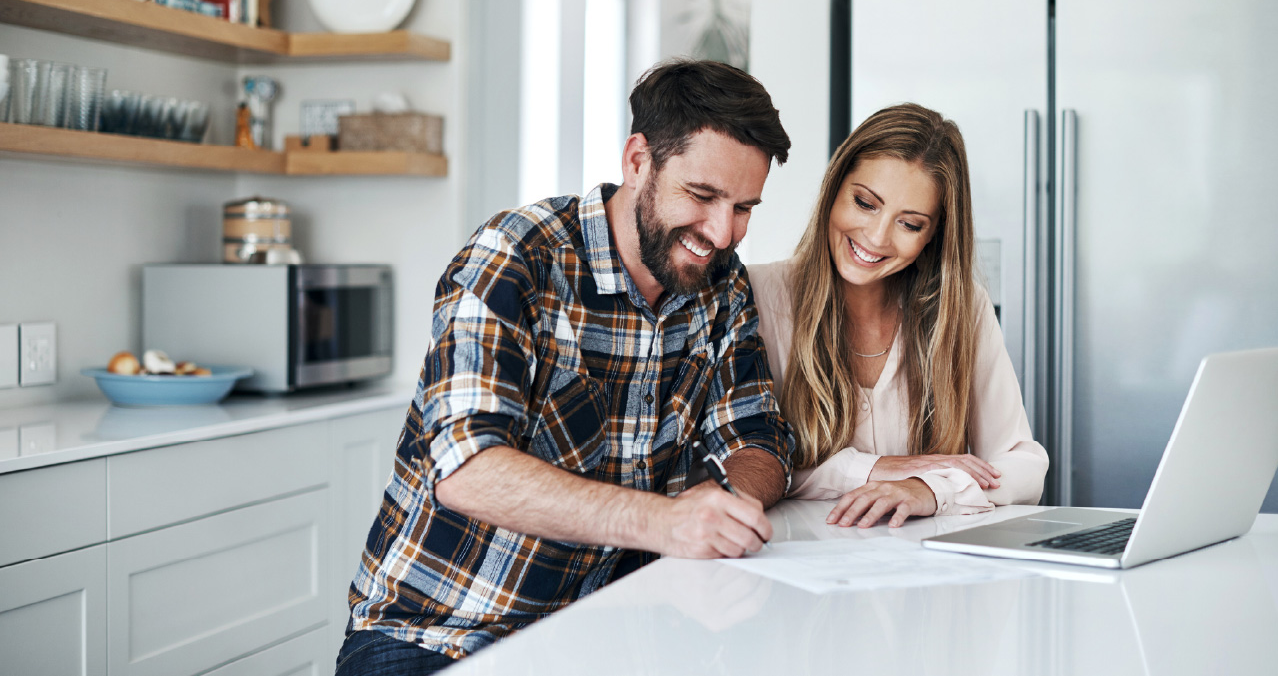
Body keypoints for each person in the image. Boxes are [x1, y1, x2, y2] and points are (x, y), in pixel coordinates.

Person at [335, 59, 795, 675]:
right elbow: (464, 467)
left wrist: (725, 508)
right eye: (703, 196)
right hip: (439, 635)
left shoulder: (720, 285)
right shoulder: (515, 257)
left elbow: (757, 437)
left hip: (611, 631)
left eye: (744, 207)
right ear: (638, 161)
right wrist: (665, 521)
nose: (722, 231)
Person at [748, 103, 1048, 530]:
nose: (876, 237)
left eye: (909, 224)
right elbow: (737, 470)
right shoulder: (755, 296)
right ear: (834, 187)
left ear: (933, 235)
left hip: (923, 580)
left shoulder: (962, 308)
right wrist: (876, 468)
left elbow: (1024, 464)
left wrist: (930, 489)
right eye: (865, 203)